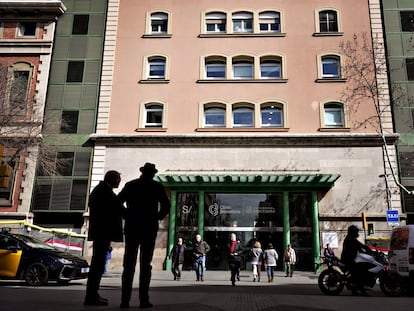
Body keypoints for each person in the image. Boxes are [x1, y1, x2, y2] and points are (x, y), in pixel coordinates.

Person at [118, 163, 170, 309]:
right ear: (152, 173)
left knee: (128, 265)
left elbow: (118, 203)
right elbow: (167, 205)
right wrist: (157, 217)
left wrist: (127, 215)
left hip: (132, 227)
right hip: (148, 228)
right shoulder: (156, 186)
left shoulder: (131, 185)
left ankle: (125, 300)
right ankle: (143, 300)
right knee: (146, 265)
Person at [84, 170, 124, 306]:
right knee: (97, 265)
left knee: (98, 264)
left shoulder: (102, 190)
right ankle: (91, 295)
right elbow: (117, 208)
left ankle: (93, 294)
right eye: (118, 179)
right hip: (102, 233)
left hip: (102, 233)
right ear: (111, 178)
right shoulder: (104, 192)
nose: (119, 181)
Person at [341, 225, 373, 296]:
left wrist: (367, 251)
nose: (357, 233)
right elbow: (360, 246)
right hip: (348, 260)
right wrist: (368, 250)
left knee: (360, 269)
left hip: (352, 258)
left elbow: (359, 248)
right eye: (356, 231)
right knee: (358, 274)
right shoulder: (350, 239)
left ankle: (354, 290)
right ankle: (362, 291)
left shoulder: (352, 239)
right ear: (352, 232)